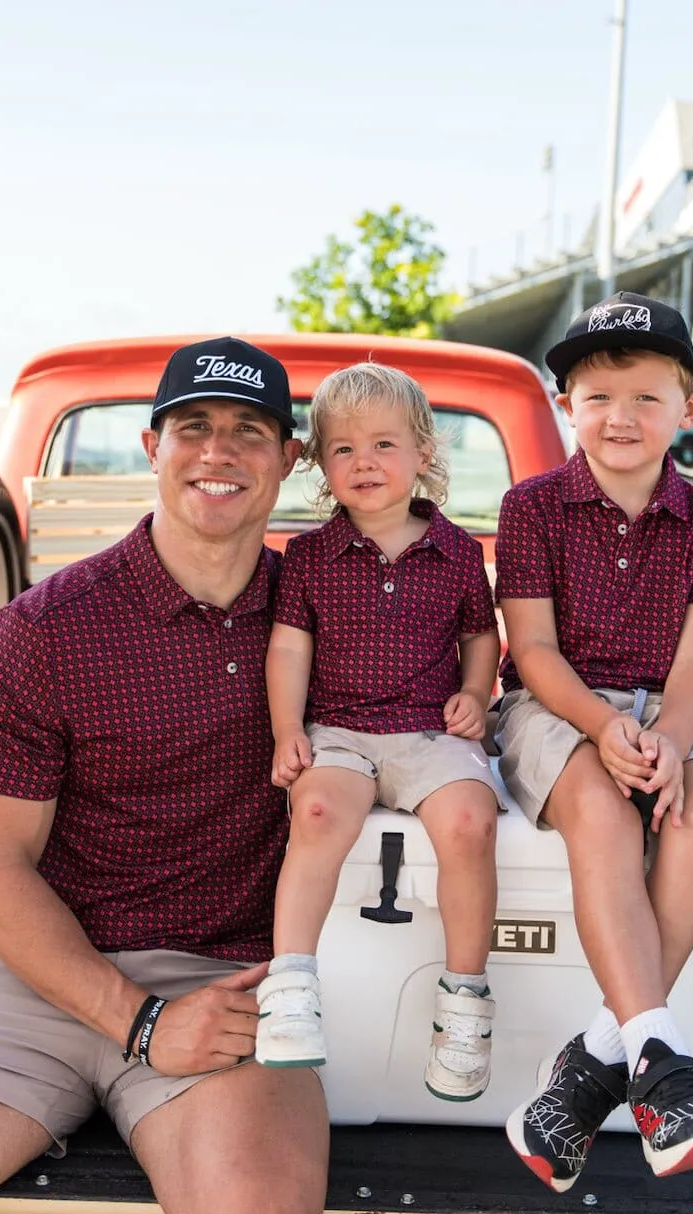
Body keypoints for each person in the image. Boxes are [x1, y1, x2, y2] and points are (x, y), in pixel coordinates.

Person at [0, 337, 329, 1214]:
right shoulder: (45, 628)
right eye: (192, 427)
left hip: (229, 981)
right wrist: (138, 1021)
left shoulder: (332, 621)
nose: (218, 452)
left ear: (288, 459)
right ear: (154, 449)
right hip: (32, 971)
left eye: (249, 431)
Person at [495, 292, 693, 1191]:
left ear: (690, 409)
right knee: (603, 816)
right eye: (598, 396)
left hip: (667, 708)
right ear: (567, 405)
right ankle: (664, 1067)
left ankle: (591, 1069)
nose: (621, 417)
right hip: (555, 708)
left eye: (647, 397)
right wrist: (604, 727)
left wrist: (675, 742)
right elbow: (530, 651)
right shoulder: (531, 508)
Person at [255, 362, 503, 1103]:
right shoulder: (307, 555)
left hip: (431, 731)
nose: (364, 462)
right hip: (340, 730)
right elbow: (290, 647)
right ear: (323, 467)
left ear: (423, 453)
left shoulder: (457, 550)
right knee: (319, 811)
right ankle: (291, 986)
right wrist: (285, 730)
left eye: (384, 445)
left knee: (469, 820)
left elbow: (480, 636)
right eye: (343, 449)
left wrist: (473, 693)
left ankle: (464, 1002)